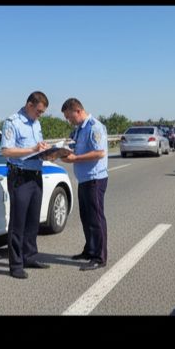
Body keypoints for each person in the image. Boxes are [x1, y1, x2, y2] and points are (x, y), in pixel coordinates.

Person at [0, 91, 54, 279]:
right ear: (29, 105)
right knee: (18, 222)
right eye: (38, 111)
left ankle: (29, 256)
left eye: (42, 112)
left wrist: (47, 152)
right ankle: (16, 265)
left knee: (33, 220)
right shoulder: (12, 122)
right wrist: (32, 149)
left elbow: (36, 148)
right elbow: (6, 151)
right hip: (20, 176)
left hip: (36, 175)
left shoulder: (36, 123)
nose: (40, 115)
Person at [60, 98, 109, 272]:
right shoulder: (79, 129)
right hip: (84, 179)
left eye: (69, 117)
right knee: (86, 218)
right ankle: (90, 250)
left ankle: (99, 257)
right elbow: (74, 147)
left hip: (95, 179)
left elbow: (99, 153)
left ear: (78, 111)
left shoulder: (94, 127)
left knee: (96, 219)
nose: (69, 120)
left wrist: (75, 158)